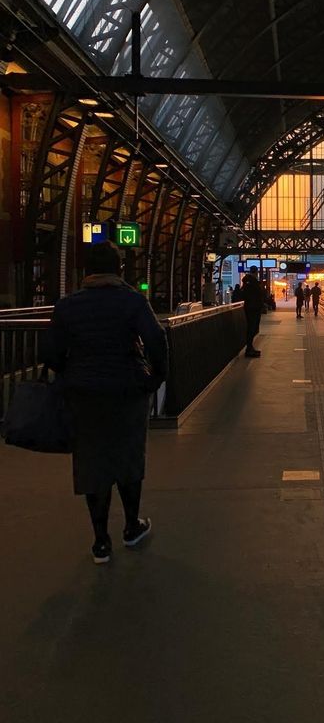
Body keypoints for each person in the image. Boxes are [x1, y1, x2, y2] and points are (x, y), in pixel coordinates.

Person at [46, 241, 168, 565]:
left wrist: (70, 372)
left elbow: (52, 354)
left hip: (84, 395)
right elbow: (156, 338)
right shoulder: (132, 301)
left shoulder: (67, 306)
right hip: (127, 391)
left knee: (92, 462)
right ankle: (131, 526)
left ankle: (101, 541)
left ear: (86, 271)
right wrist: (156, 377)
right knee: (128, 456)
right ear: (119, 269)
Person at [242, 265, 267, 357]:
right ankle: (249, 349)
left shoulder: (249, 282)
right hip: (253, 308)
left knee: (252, 328)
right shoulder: (251, 282)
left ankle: (250, 347)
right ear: (256, 272)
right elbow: (256, 294)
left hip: (252, 307)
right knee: (252, 328)